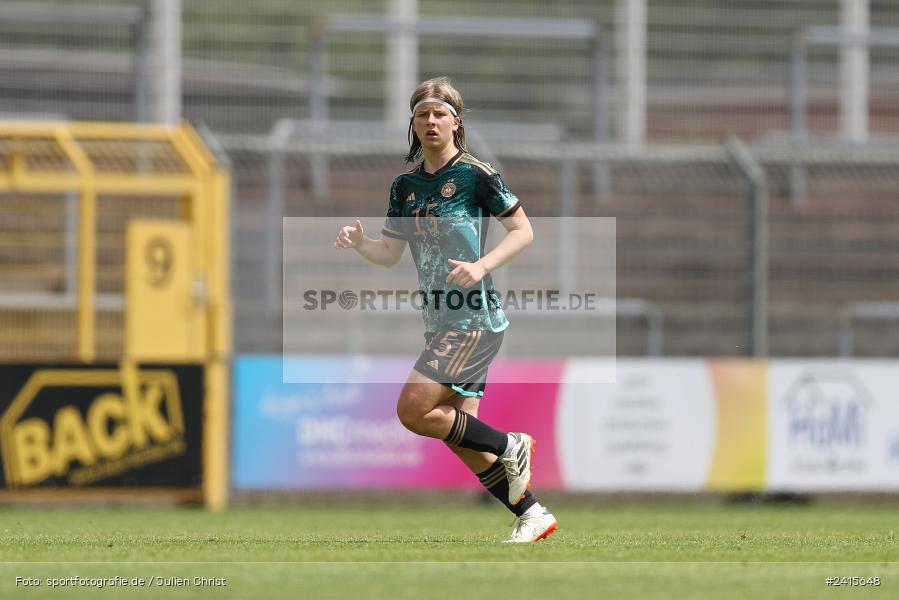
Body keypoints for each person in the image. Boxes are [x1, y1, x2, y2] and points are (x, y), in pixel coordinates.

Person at [334, 76, 557, 543]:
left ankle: (511, 444)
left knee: (413, 411)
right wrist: (360, 245)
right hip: (440, 320)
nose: (430, 121)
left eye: (439, 113)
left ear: (456, 121)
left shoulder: (477, 174)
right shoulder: (405, 186)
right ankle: (533, 514)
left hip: (473, 317)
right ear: (412, 124)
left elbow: (523, 231)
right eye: (421, 114)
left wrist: (481, 266)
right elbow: (390, 253)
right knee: (461, 438)